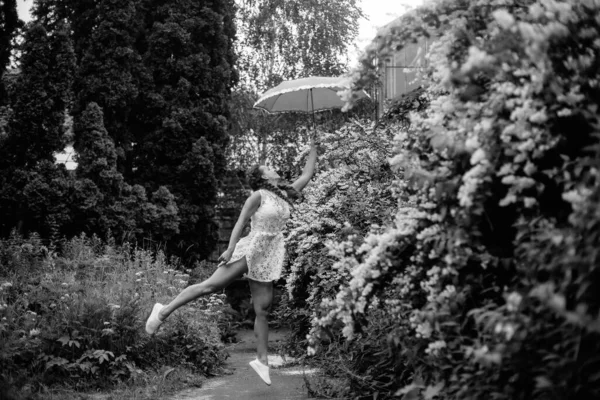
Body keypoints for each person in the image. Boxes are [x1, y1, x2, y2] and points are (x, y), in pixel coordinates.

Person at [145, 136, 318, 386]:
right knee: (211, 286)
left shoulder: (286, 194)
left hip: (269, 254)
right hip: (251, 248)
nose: (274, 169)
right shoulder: (258, 196)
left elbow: (308, 174)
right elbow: (239, 223)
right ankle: (163, 311)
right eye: (268, 168)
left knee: (263, 308)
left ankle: (262, 361)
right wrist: (229, 249)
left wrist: (314, 147)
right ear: (261, 178)